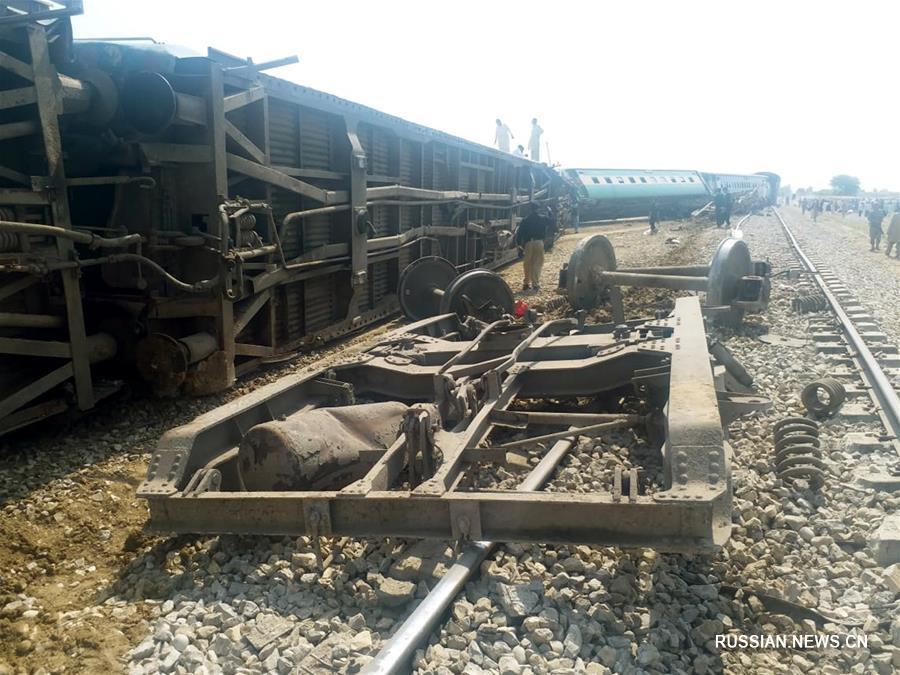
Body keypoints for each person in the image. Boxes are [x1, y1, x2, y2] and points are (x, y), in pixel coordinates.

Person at [515, 204, 552, 291]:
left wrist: (519, 245)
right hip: (539, 242)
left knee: (527, 263)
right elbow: (552, 222)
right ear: (538, 209)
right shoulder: (542, 218)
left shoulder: (525, 220)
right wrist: (550, 212)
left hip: (528, 243)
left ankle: (526, 283)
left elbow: (519, 233)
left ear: (530, 209)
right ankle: (535, 284)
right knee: (537, 263)